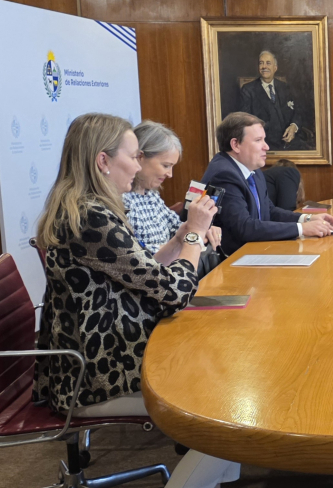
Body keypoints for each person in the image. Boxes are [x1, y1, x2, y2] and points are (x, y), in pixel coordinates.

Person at [32, 113, 240, 487]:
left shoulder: (85, 207)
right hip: (92, 375)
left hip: (97, 354)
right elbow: (175, 293)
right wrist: (196, 234)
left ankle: (217, 476)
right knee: (219, 398)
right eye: (133, 155)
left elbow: (141, 272)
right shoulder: (91, 218)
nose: (138, 164)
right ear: (103, 160)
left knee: (222, 362)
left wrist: (179, 238)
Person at [202, 112, 333, 256]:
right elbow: (244, 228)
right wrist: (302, 229)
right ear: (235, 144)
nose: (266, 146)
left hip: (256, 252)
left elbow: (269, 211)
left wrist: (307, 219)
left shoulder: (253, 170)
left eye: (264, 139)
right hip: (232, 260)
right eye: (258, 140)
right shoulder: (224, 175)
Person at [123, 120, 222, 255]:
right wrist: (194, 235)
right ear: (140, 157)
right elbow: (136, 254)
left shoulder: (151, 195)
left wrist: (204, 228)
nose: (170, 174)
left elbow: (177, 227)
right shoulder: (121, 201)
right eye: (165, 165)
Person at [238, 50, 307, 151]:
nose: (264, 66)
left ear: (275, 68)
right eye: (261, 63)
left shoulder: (285, 87)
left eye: (268, 63)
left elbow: (298, 112)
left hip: (291, 142)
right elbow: (245, 121)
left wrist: (294, 126)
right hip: (265, 144)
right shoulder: (248, 90)